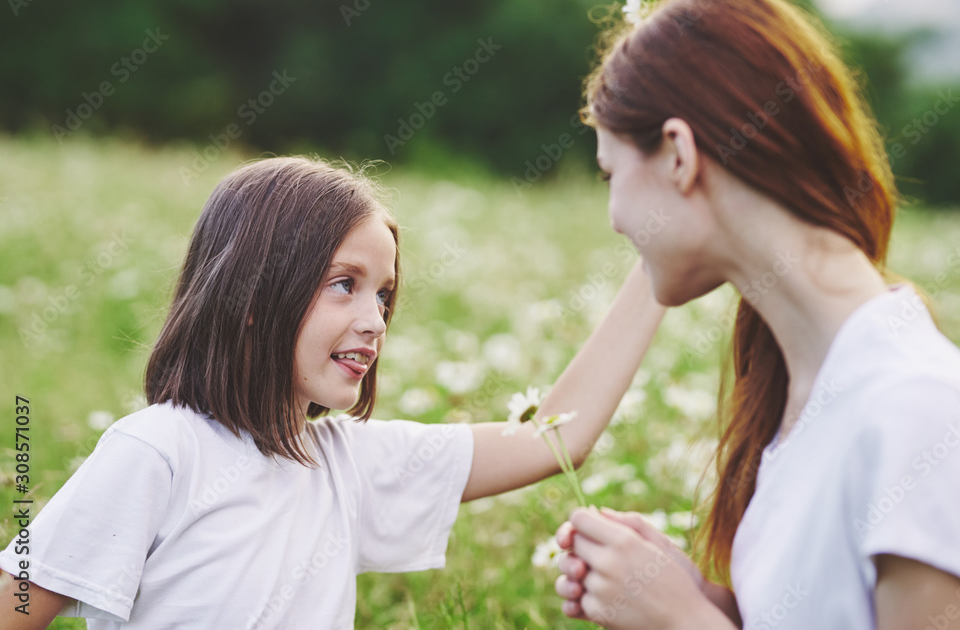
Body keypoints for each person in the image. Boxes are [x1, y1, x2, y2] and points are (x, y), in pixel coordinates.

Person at [0, 156, 665, 628]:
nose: (374, 319)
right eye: (343, 283)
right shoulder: (158, 450)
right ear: (253, 296)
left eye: (383, 293)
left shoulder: (347, 463)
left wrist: (659, 259)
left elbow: (558, 434)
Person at [553, 0, 960, 630]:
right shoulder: (807, 392)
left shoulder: (913, 402)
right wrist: (706, 600)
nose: (615, 218)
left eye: (609, 174)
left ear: (679, 154)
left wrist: (685, 621)